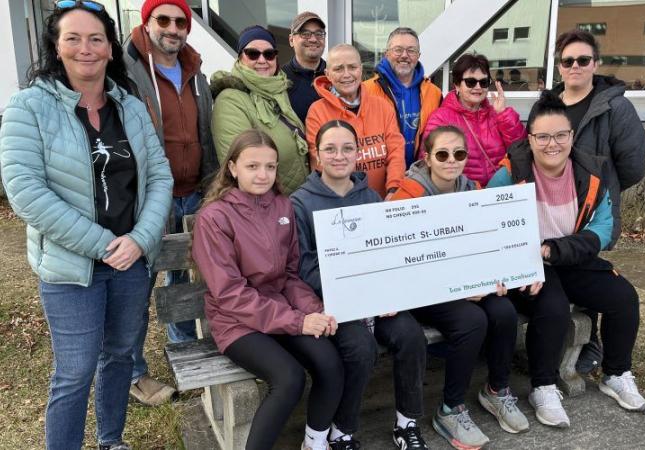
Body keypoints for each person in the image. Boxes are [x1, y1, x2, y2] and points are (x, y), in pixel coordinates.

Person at [0, 2, 173, 449]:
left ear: (111, 47)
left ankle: (110, 441)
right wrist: (104, 245)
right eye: (73, 38)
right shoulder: (29, 107)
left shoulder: (129, 107)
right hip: (71, 267)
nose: (86, 49)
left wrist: (139, 240)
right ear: (56, 47)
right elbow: (26, 191)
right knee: (75, 371)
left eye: (96, 38)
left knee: (118, 357)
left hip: (130, 264)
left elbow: (159, 177)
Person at [488, 90, 645, 428]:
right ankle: (543, 386)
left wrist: (556, 249)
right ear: (530, 139)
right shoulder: (510, 172)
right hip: (528, 264)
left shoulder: (590, 172)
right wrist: (521, 262)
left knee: (623, 297)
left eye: (560, 135)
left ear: (571, 136)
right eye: (543, 136)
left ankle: (617, 373)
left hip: (569, 257)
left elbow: (601, 230)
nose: (552, 144)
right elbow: (490, 229)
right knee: (553, 307)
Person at [191, 129, 344, 450]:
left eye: (270, 167)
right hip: (236, 323)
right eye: (252, 166)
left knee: (330, 361)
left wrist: (314, 311)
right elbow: (230, 294)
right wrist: (298, 322)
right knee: (289, 378)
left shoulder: (282, 208)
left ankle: (315, 442)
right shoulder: (215, 217)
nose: (263, 175)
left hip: (280, 313)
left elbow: (289, 276)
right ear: (232, 168)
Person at [291, 120, 429, 450]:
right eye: (330, 149)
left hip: (375, 299)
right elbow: (303, 265)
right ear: (317, 154)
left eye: (347, 148)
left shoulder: (371, 198)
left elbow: (385, 255)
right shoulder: (300, 203)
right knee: (360, 349)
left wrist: (388, 292)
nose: (339, 156)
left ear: (358, 153)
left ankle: (407, 422)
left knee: (411, 336)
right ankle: (343, 430)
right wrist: (353, 293)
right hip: (334, 304)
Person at [392, 126, 532, 446]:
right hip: (422, 289)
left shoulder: (472, 191)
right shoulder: (408, 195)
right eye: (442, 154)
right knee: (472, 321)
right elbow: (406, 263)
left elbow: (487, 244)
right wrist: (456, 286)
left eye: (459, 154)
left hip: (465, 283)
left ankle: (496, 390)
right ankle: (450, 409)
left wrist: (496, 275)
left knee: (504, 311)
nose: (452, 161)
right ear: (427, 158)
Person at [123, 0, 219, 406]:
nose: (173, 28)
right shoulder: (128, 72)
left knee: (183, 280)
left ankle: (184, 353)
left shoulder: (196, 73)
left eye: (181, 21)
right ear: (147, 22)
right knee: (138, 285)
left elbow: (207, 133)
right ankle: (132, 372)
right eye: (163, 19)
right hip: (148, 199)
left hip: (193, 192)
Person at [552, 29, 645, 374]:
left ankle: (591, 341)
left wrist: (602, 193)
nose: (575, 66)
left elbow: (633, 166)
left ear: (595, 64)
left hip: (592, 211)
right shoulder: (548, 105)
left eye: (583, 60)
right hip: (553, 210)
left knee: (587, 263)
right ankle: (578, 334)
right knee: (563, 270)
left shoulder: (615, 108)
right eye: (568, 61)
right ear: (559, 67)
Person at [211, 25, 309, 195]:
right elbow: (241, 170)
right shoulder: (230, 101)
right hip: (266, 208)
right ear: (240, 57)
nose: (262, 60)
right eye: (253, 54)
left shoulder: (278, 91)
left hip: (295, 202)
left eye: (269, 54)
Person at [306, 44, 406, 199]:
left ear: (361, 69)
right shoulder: (317, 112)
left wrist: (393, 189)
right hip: (340, 203)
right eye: (338, 69)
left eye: (352, 67)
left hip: (383, 202)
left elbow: (396, 151)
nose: (347, 74)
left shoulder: (383, 106)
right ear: (328, 74)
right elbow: (319, 163)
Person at [422, 53, 526, 186]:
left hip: (500, 192)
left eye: (483, 82)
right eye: (471, 82)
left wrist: (503, 114)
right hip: (464, 193)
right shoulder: (441, 118)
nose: (478, 87)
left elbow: (521, 151)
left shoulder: (496, 113)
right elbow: (428, 162)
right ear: (457, 85)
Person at [363, 27, 442, 168]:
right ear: (386, 54)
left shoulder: (434, 93)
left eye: (411, 50)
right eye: (398, 50)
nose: (404, 55)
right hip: (381, 177)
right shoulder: (366, 91)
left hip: (422, 176)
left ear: (418, 55)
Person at [282, 11, 327, 124]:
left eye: (319, 34)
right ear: (291, 40)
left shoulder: (336, 75)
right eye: (305, 34)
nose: (313, 39)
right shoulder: (280, 79)